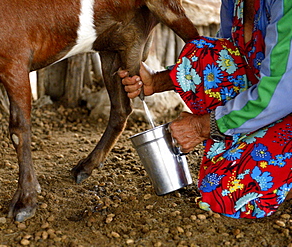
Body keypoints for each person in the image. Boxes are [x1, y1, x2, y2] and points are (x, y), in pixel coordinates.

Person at [118, 0, 292, 219]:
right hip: (270, 103)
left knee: (225, 193)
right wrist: (157, 81)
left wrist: (204, 126)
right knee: (202, 56)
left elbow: (279, 90)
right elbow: (227, 57)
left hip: (283, 100)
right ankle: (249, 152)